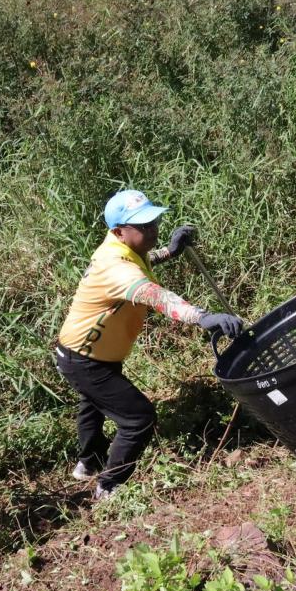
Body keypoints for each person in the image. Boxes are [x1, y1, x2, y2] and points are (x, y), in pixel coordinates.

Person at [54, 190, 246, 500]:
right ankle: (109, 487)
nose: (153, 230)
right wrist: (203, 317)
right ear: (119, 231)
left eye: (154, 222)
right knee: (138, 418)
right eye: (143, 226)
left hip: (84, 352)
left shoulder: (120, 250)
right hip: (85, 359)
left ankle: (87, 466)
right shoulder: (115, 267)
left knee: (93, 406)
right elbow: (155, 295)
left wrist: (170, 251)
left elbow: (143, 263)